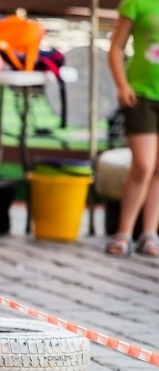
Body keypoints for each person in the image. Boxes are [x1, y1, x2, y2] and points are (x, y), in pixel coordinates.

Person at [106, 0, 159, 257]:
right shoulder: (137, 3)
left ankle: (150, 234)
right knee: (143, 165)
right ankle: (124, 233)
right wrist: (122, 85)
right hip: (141, 96)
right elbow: (116, 47)